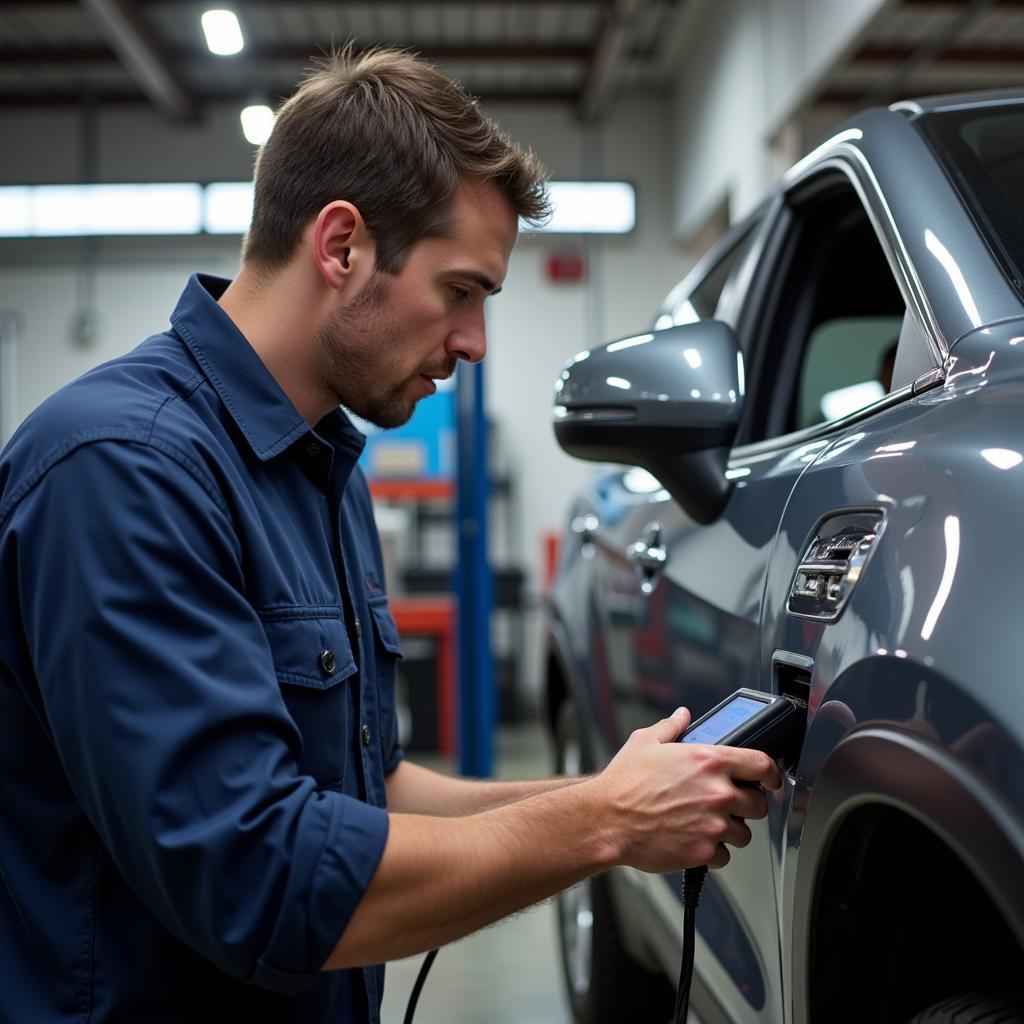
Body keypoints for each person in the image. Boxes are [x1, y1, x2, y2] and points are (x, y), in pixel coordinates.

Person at [0, 47, 780, 1023]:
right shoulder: (120, 469)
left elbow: (370, 794)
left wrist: (610, 793)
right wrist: (602, 821)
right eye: (460, 291)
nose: (474, 342)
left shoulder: (322, 468)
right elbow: (263, 880)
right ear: (341, 247)